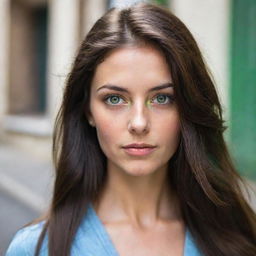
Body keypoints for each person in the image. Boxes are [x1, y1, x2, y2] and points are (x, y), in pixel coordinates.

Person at [6, 3, 256, 256]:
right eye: (115, 99)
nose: (139, 123)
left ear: (188, 108)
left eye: (162, 98)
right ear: (88, 111)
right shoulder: (35, 249)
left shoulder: (236, 236)